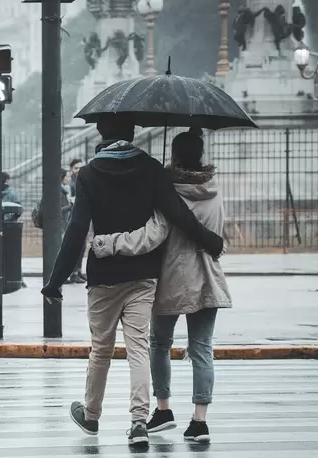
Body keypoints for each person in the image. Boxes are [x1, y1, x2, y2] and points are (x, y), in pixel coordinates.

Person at [40, 115, 224, 447]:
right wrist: (209, 239)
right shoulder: (152, 169)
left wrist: (55, 281)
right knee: (138, 348)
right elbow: (177, 214)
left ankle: (92, 415)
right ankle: (139, 422)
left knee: (101, 350)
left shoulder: (89, 174)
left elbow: (77, 230)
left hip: (103, 276)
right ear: (134, 132)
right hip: (144, 276)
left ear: (101, 133)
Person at [91, 131, 232, 443]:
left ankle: (164, 409)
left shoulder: (168, 191)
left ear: (175, 155)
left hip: (171, 276)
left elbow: (154, 234)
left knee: (158, 344)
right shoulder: (215, 188)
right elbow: (218, 231)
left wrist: (110, 243)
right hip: (208, 276)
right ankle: (199, 421)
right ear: (201, 154)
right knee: (202, 349)